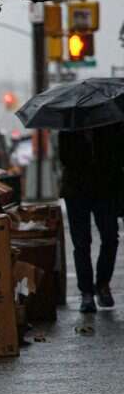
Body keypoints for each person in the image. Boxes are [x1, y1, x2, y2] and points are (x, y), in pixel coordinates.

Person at [58, 124, 124, 312]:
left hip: (106, 189)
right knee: (81, 243)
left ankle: (103, 284)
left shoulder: (112, 123)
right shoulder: (69, 126)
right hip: (77, 191)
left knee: (110, 238)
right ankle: (86, 293)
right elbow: (65, 158)